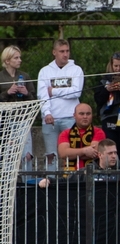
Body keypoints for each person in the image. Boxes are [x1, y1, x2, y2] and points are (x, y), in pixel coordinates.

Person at [38, 39, 84, 171]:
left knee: (71, 154)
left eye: (67, 51)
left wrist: (53, 91)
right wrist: (47, 113)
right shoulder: (45, 71)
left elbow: (76, 92)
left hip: (70, 117)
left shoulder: (76, 70)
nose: (65, 54)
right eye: (62, 51)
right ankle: (51, 184)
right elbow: (42, 95)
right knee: (51, 156)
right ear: (54, 52)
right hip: (50, 119)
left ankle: (72, 183)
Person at [94, 51, 120, 169]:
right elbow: (98, 100)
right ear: (111, 65)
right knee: (111, 153)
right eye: (115, 66)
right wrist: (107, 90)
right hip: (109, 120)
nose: (118, 69)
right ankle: (112, 178)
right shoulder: (104, 81)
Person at [1, 46, 37, 170]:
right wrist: (7, 92)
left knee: (27, 154)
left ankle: (28, 184)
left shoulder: (25, 76)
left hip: (23, 119)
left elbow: (34, 100)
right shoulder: (0, 77)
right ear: (7, 61)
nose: (20, 60)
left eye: (19, 57)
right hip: (5, 121)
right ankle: (9, 185)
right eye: (16, 58)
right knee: (8, 155)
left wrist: (26, 93)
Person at [57, 103, 106, 173]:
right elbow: (63, 153)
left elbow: (95, 153)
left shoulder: (99, 132)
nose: (85, 117)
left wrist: (72, 153)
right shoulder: (65, 133)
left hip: (93, 173)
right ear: (74, 116)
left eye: (88, 114)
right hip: (71, 176)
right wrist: (84, 151)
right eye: (81, 114)